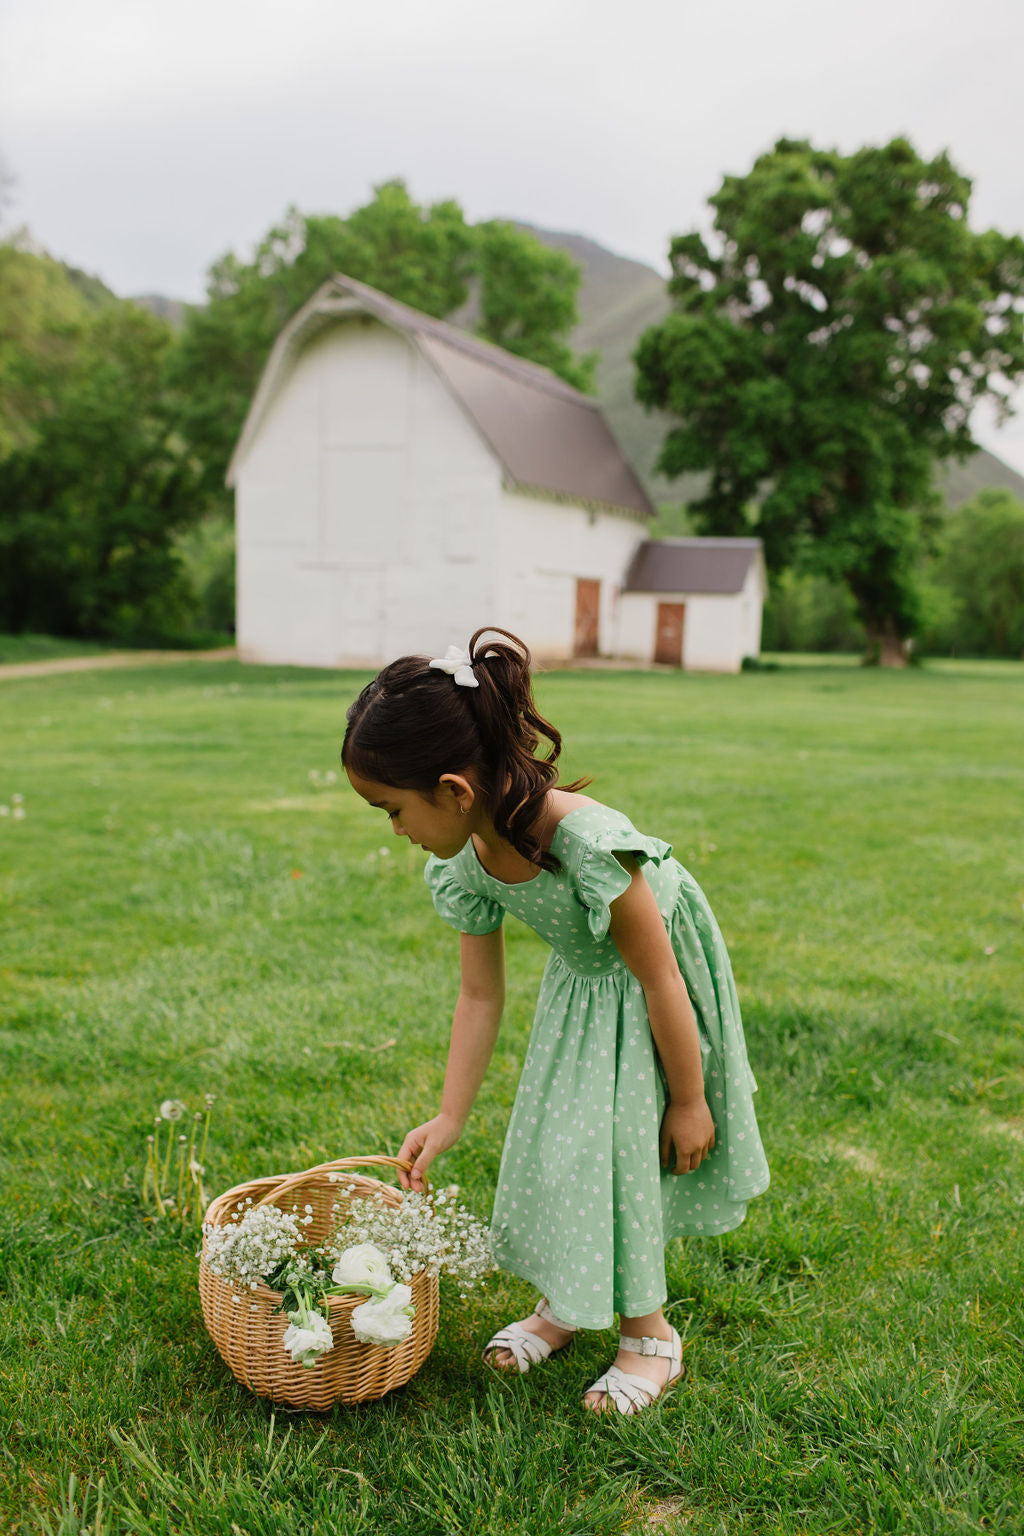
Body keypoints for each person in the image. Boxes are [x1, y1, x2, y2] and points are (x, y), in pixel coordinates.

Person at [342, 627, 769, 1414]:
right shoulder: (466, 860)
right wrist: (448, 1114)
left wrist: (688, 1098)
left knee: (617, 1149)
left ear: (453, 790)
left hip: (653, 990)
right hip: (585, 985)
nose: (394, 830)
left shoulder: (587, 844)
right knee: (553, 1140)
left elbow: (661, 977)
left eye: (391, 810)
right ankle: (565, 1304)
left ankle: (652, 1336)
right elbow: (480, 996)